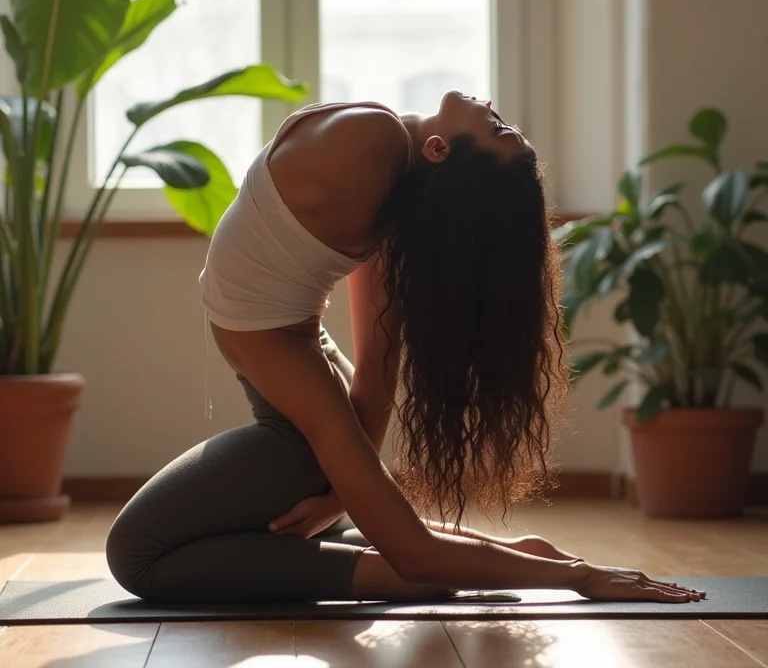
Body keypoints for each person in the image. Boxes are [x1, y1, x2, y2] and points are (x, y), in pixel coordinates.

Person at [106, 91, 704, 605]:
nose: (492, 106)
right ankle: (500, 554)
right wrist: (340, 492)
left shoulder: (373, 149)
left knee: (137, 556)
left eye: (495, 130)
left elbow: (380, 362)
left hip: (293, 369)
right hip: (292, 362)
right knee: (322, 520)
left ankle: (410, 574)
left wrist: (581, 577)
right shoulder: (396, 172)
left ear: (441, 150)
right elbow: (377, 362)